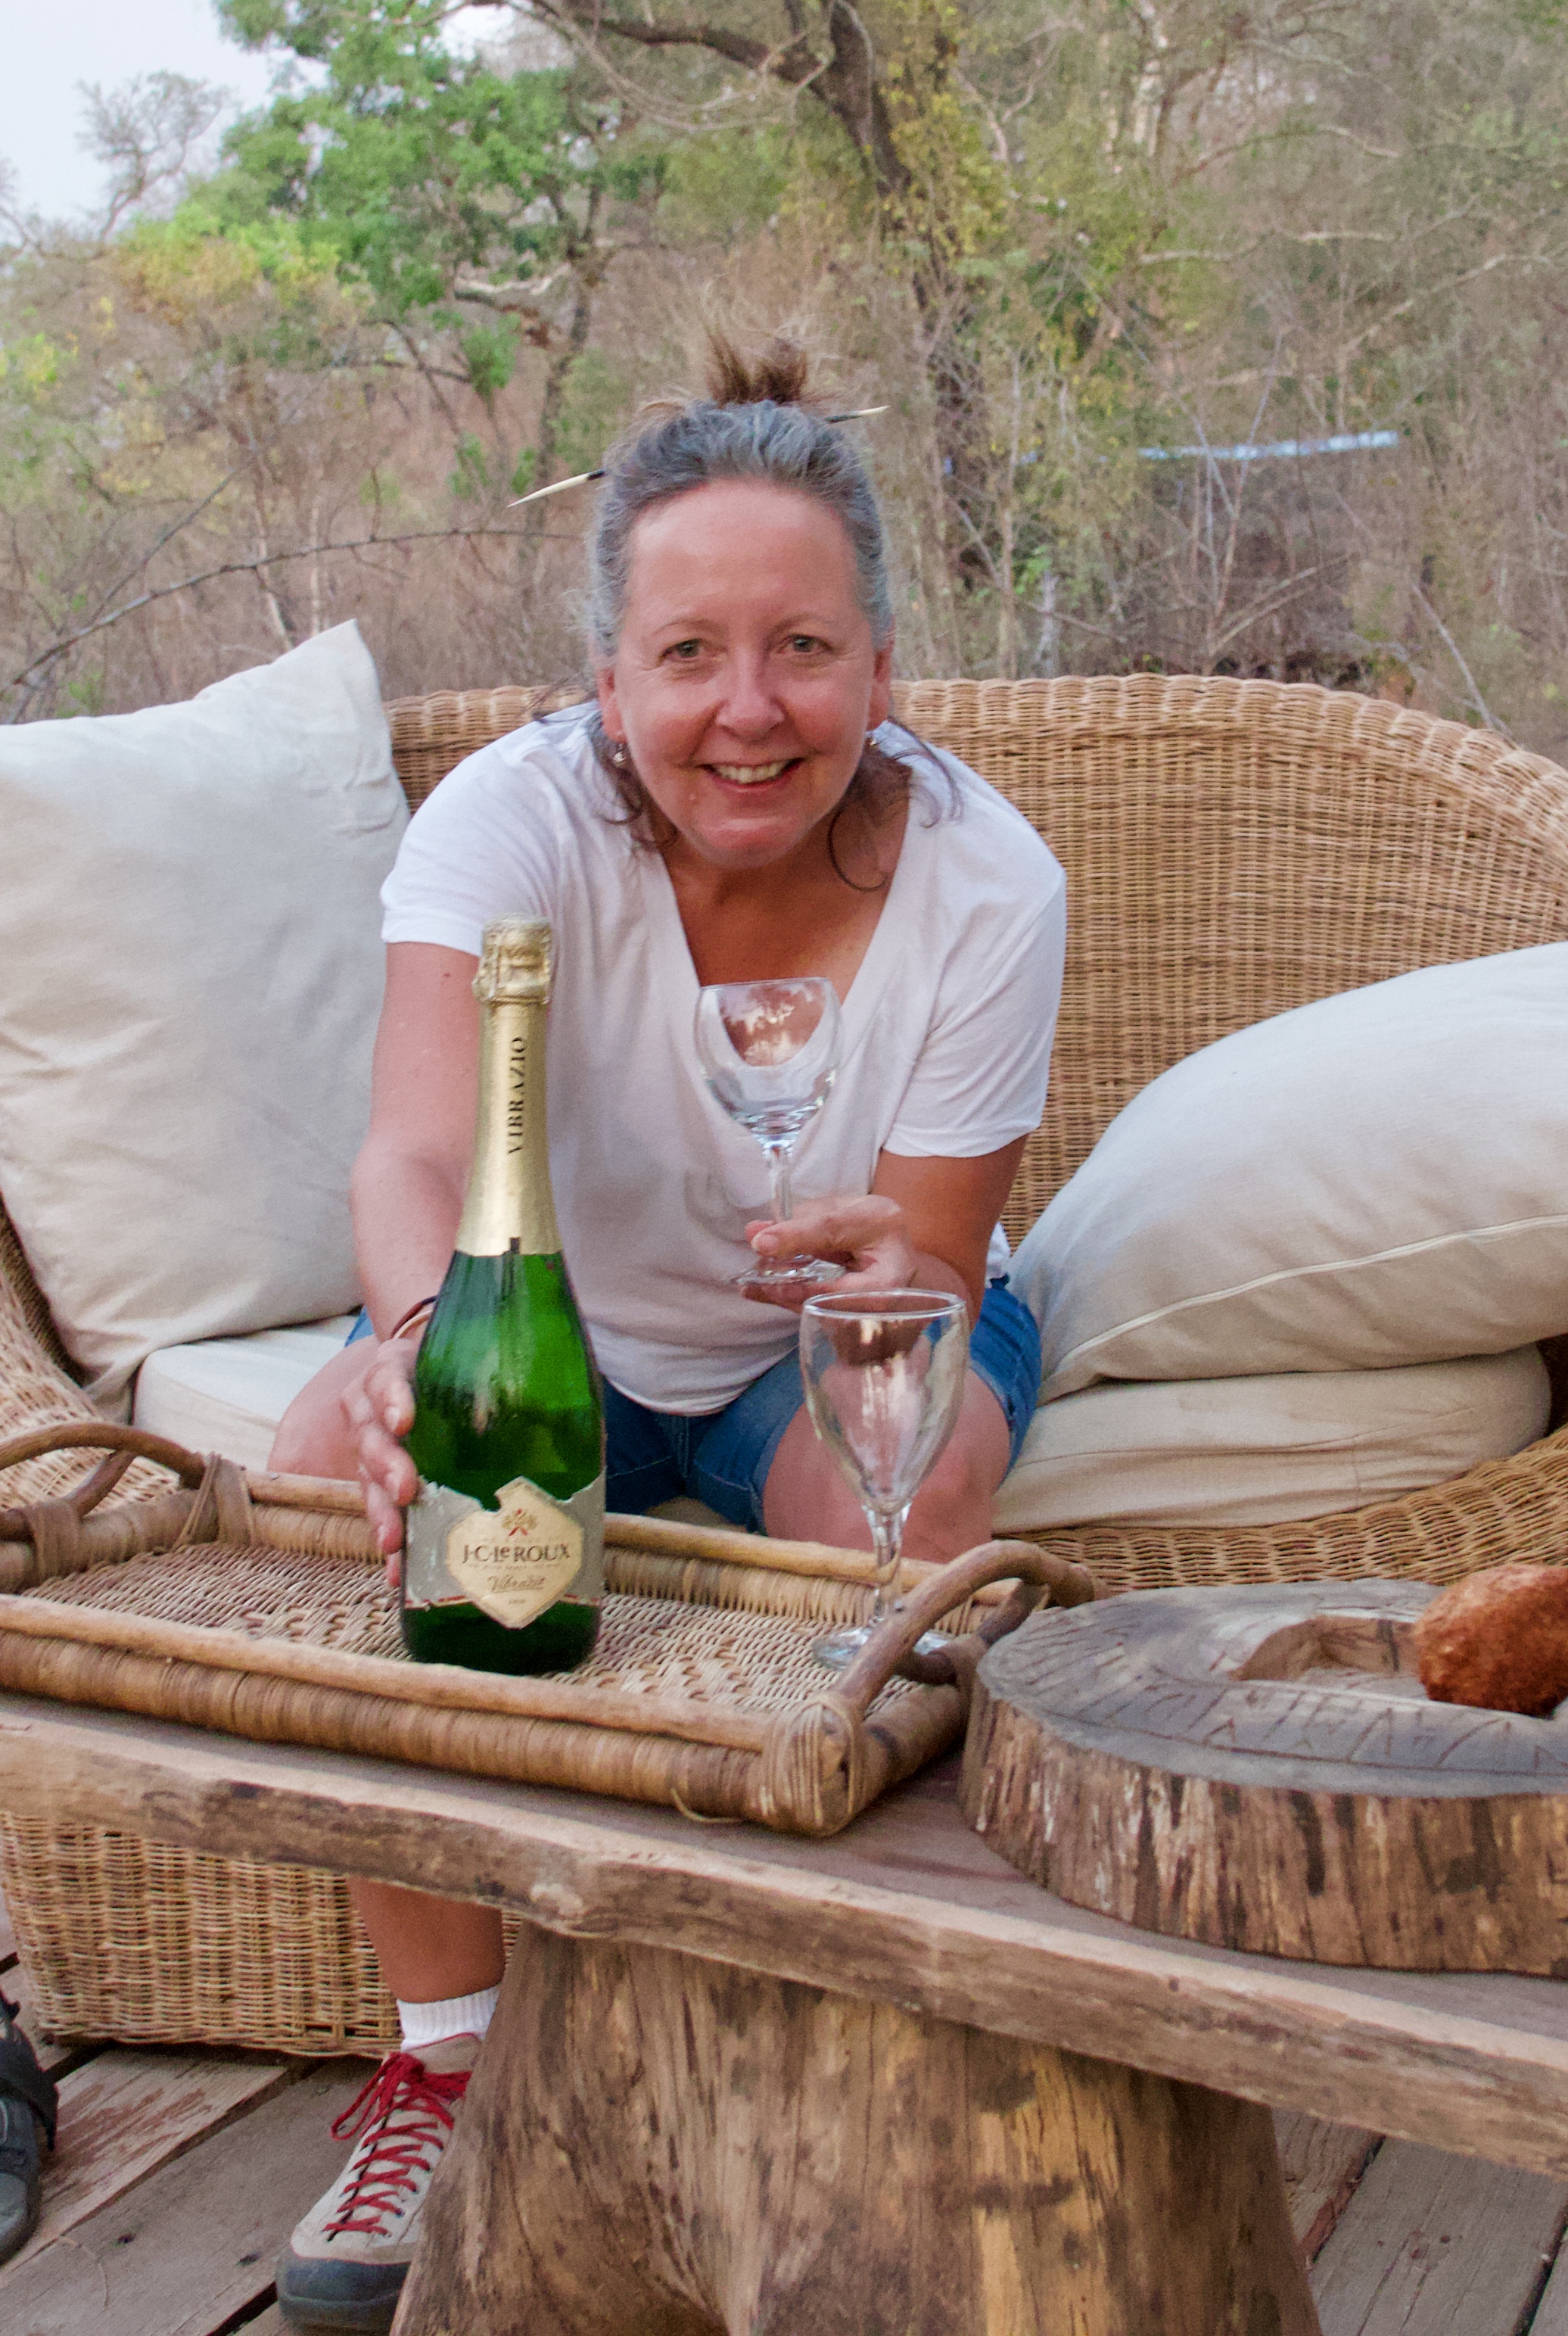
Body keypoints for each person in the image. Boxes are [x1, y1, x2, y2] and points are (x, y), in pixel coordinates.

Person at [264, 336, 1068, 2333]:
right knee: (325, 1467)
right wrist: (416, 1351)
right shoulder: (507, 822)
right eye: (688, 653)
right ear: (607, 682)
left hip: (841, 1325)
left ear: (882, 671)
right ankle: (446, 2060)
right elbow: (413, 1149)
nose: (747, 707)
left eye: (802, 650)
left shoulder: (991, 883)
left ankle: (820, 2030)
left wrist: (895, 1283)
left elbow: (932, 1260)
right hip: (545, 1325)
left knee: (903, 1494)